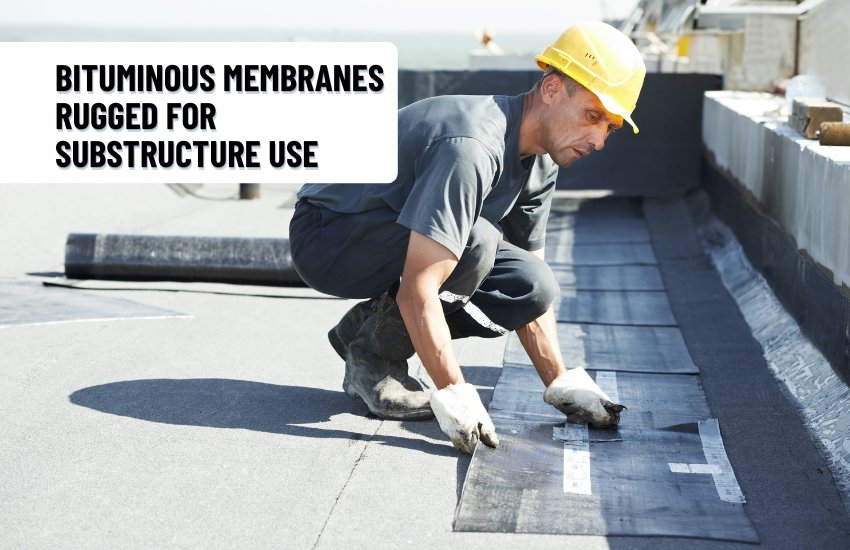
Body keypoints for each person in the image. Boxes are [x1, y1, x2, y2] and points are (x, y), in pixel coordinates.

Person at [289, 21, 646, 454]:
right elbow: (420, 286)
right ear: (551, 90)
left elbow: (530, 276)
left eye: (610, 126)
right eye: (593, 116)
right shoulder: (472, 146)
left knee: (532, 286)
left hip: (389, 236)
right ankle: (374, 362)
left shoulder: (541, 162)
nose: (599, 140)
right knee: (476, 242)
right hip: (331, 233)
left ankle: (365, 332)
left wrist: (560, 382)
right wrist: (454, 391)